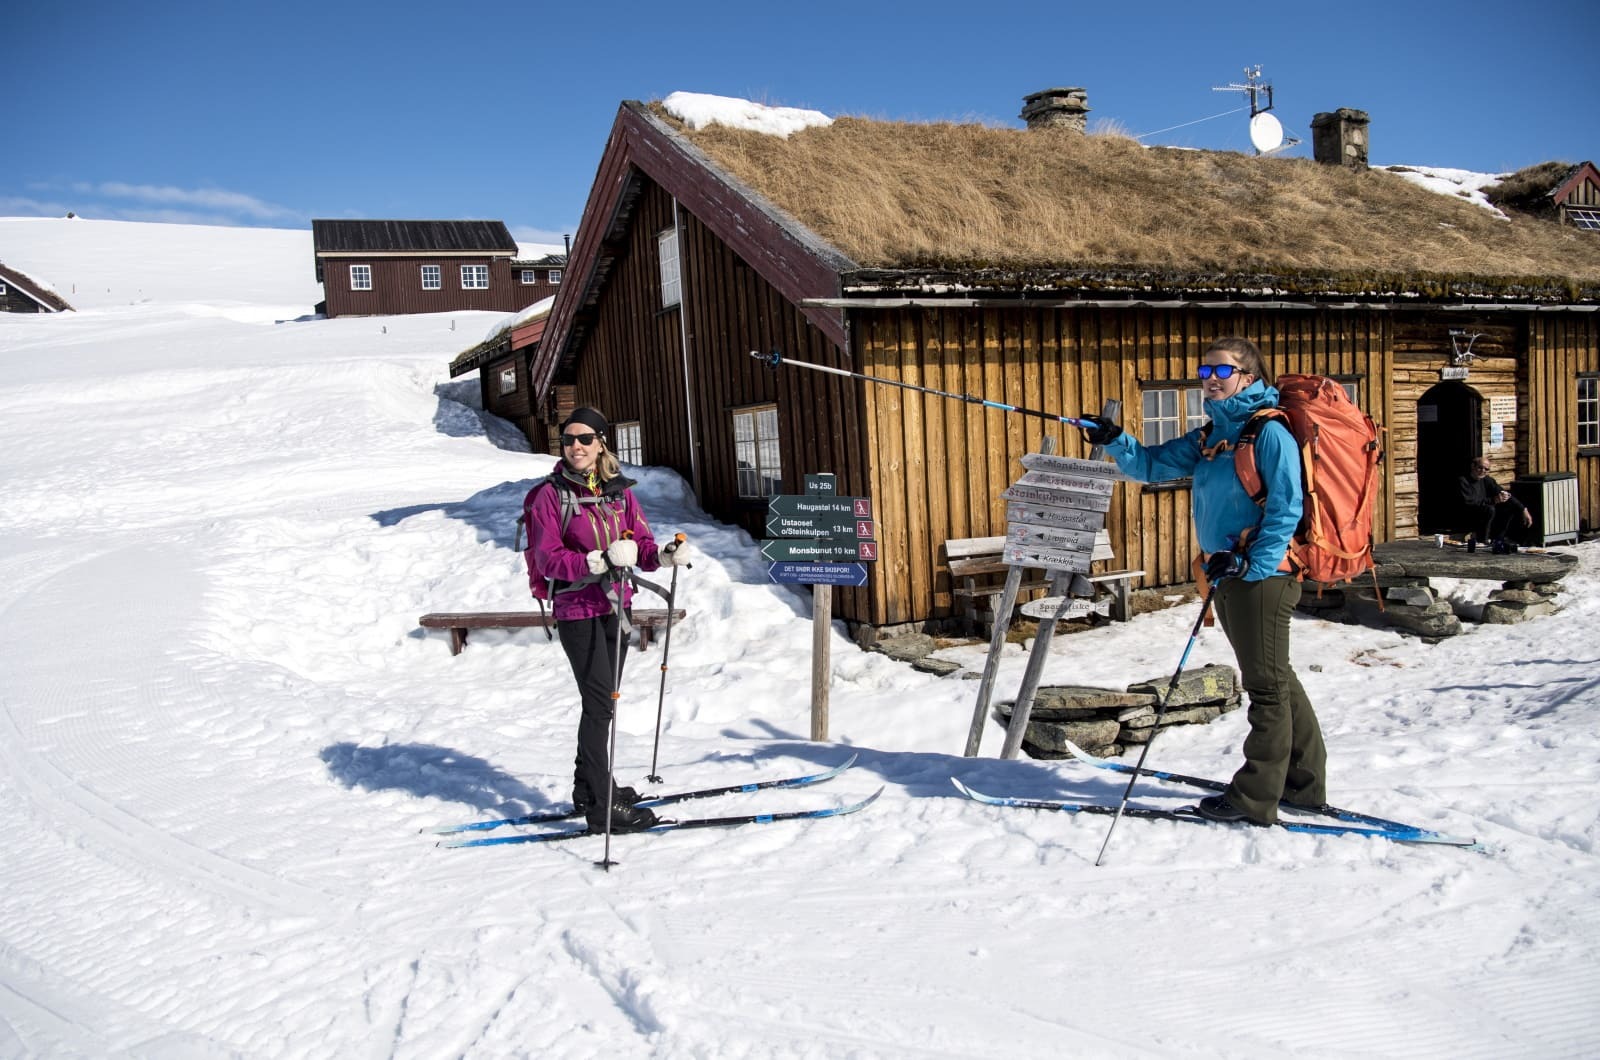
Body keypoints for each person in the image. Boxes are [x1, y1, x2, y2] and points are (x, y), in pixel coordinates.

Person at [1080, 337, 1327, 826]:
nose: (1209, 380)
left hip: (1262, 578)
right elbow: (1150, 464)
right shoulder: (1214, 436)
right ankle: (1305, 784)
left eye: (1222, 372)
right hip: (1229, 572)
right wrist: (1112, 438)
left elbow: (1286, 508)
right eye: (1204, 371)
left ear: (1249, 378)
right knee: (1278, 678)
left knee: (1267, 688)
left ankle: (1256, 798)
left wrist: (1251, 565)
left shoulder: (1268, 433)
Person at [526, 406, 693, 833]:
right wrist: (597, 560)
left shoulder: (618, 492)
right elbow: (548, 559)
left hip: (616, 607)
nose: (576, 447)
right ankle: (601, 808)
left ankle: (588, 787)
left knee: (604, 701)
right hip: (577, 609)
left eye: (585, 439)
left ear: (601, 442)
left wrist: (664, 556)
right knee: (600, 706)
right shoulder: (550, 495)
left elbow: (639, 542)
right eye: (568, 440)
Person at [1458, 457, 1531, 551]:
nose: (1483, 471)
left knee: (1509, 506)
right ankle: (1483, 541)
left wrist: (1523, 509)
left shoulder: (1487, 480)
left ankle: (1498, 539)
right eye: (1480, 468)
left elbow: (1505, 494)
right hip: (1466, 515)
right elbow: (1469, 502)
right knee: (1489, 508)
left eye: (1486, 469)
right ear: (1473, 466)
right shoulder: (1463, 481)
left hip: (1483, 513)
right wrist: (1493, 500)